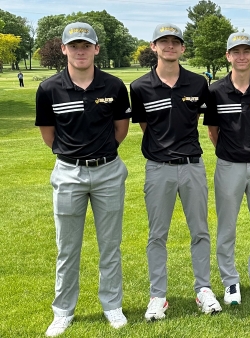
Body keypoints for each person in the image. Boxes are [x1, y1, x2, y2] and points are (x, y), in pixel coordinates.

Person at [35, 22, 130, 336]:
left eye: (86, 45)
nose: (80, 51)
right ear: (64, 49)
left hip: (108, 171)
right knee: (67, 247)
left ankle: (112, 306)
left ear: (96, 49)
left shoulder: (114, 86)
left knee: (110, 245)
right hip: (68, 173)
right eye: (73, 46)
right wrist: (74, 157)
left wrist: (100, 155)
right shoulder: (49, 88)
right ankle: (63, 311)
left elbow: (121, 129)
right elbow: (49, 136)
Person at [129, 23, 221, 320]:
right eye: (163, 41)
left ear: (182, 48)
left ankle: (204, 289)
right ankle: (158, 296)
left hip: (192, 166)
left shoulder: (197, 84)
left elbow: (202, 122)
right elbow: (147, 127)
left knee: (200, 231)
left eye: (175, 42)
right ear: (153, 46)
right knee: (157, 235)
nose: (169, 46)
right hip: (158, 168)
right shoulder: (140, 86)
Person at [203, 32, 250, 305]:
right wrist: (232, 152)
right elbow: (213, 131)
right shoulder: (215, 91)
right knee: (226, 228)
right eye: (236, 52)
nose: (242, 56)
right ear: (228, 56)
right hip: (228, 166)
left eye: (247, 51)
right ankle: (230, 281)